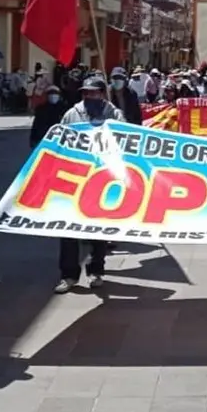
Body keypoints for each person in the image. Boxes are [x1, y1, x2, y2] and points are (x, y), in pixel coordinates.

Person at [53, 76, 125, 294]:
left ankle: (97, 271)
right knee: (68, 229)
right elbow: (60, 142)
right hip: (74, 179)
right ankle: (68, 275)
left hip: (102, 180)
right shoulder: (71, 114)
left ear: (102, 94)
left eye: (93, 93)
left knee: (98, 229)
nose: (89, 97)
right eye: (85, 93)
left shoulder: (114, 115)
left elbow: (124, 141)